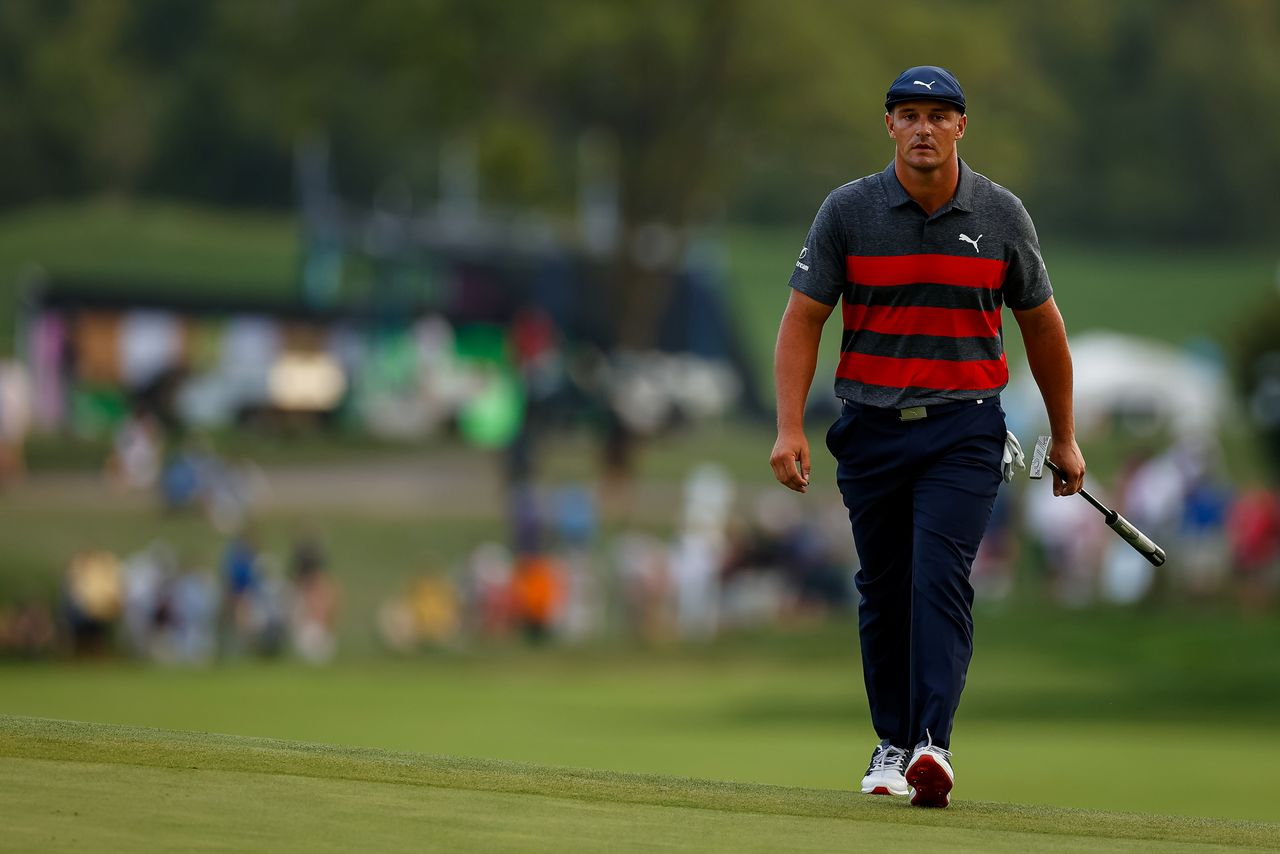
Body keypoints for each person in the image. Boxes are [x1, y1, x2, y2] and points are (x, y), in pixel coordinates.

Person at [769, 65, 1085, 808]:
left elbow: (1043, 327)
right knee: (883, 588)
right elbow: (802, 318)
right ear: (889, 126)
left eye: (938, 116)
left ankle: (930, 745)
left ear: (960, 128)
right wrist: (789, 427)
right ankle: (890, 741)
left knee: (937, 577)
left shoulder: (1002, 217)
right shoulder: (848, 212)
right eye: (908, 114)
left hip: (964, 427)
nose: (923, 128)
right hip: (870, 428)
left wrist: (1065, 437)